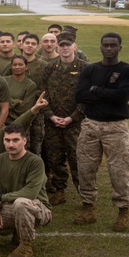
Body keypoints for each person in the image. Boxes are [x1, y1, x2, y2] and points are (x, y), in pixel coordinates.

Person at [74, 33, 129, 231]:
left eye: (113, 45)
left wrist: (96, 91)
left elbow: (122, 96)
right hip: (91, 125)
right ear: (100, 47)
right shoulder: (91, 69)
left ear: (120, 47)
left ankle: (123, 211)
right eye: (106, 45)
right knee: (85, 168)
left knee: (119, 171)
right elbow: (79, 96)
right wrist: (105, 94)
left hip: (116, 127)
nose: (109, 48)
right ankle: (88, 207)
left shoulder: (128, 71)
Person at [0, 124, 51, 257]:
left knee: (21, 203)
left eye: (15, 140)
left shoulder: (35, 162)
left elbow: (31, 192)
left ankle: (26, 246)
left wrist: (2, 198)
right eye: (7, 140)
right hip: (12, 205)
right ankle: (16, 234)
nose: (11, 144)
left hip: (38, 207)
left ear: (24, 141)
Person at [39, 32, 88, 205]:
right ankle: (60, 190)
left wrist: (72, 117)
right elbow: (42, 95)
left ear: (75, 46)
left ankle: (85, 195)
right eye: (62, 45)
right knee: (55, 158)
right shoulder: (50, 68)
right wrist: (51, 116)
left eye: (68, 44)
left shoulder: (85, 68)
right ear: (57, 47)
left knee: (77, 159)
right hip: (53, 123)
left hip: (75, 124)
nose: (65, 48)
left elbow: (88, 98)